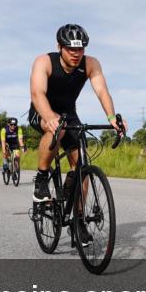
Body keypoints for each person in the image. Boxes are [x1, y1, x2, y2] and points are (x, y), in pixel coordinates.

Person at [28, 24, 126, 246]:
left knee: (81, 164)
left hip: (69, 113)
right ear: (59, 47)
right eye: (70, 49)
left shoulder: (91, 64)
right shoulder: (44, 61)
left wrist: (112, 119)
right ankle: (42, 179)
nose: (76, 54)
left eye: (80, 49)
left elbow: (102, 91)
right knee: (57, 128)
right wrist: (50, 118)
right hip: (41, 110)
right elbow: (37, 93)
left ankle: (78, 221)